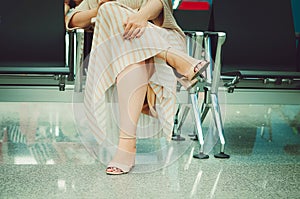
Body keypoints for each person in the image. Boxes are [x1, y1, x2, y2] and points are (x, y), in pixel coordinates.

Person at [66, 0, 209, 175]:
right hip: (124, 45)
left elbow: (160, 3)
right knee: (111, 14)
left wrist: (141, 17)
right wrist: (98, 10)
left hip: (159, 35)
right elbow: (72, 20)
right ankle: (176, 59)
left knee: (129, 52)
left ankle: (126, 148)